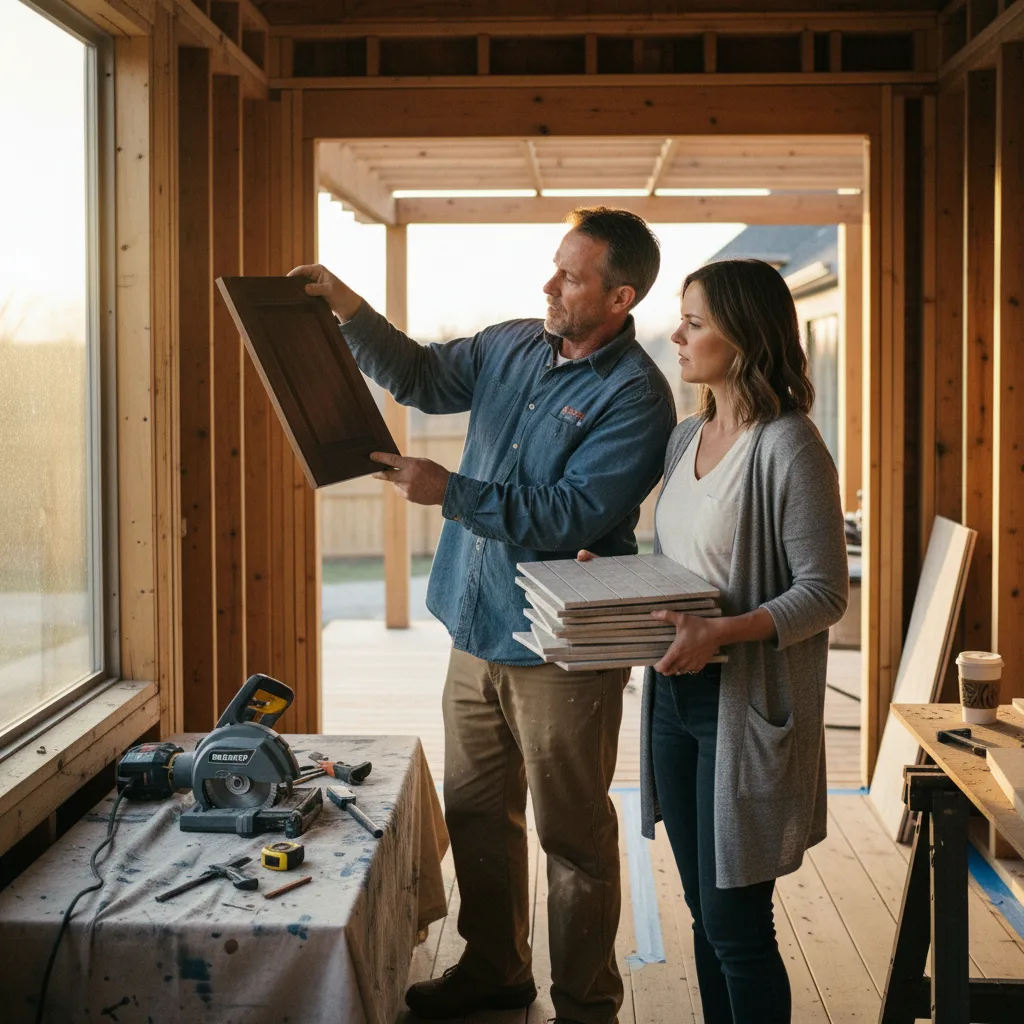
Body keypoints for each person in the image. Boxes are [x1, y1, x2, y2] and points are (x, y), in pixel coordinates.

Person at [289, 207, 676, 1024]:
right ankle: (497, 968)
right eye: (555, 265)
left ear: (619, 297)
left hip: (559, 647)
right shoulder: (509, 343)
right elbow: (422, 378)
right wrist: (349, 308)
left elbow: (570, 514)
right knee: (474, 813)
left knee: (571, 839)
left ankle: (586, 1002)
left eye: (572, 276)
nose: (550, 284)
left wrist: (450, 493)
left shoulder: (637, 396)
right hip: (473, 627)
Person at [633, 258, 846, 1023]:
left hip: (741, 710)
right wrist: (619, 582)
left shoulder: (788, 445)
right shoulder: (686, 436)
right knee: (704, 916)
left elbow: (825, 595)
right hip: (672, 699)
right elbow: (682, 565)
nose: (676, 335)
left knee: (736, 927)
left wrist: (725, 630)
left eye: (694, 322)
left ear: (746, 335)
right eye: (681, 319)